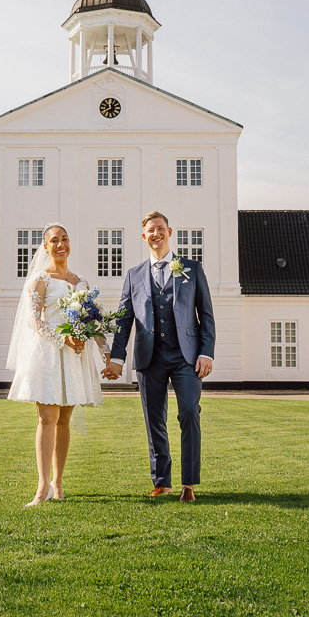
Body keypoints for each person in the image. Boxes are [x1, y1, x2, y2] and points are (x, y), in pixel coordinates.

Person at [104, 211, 215, 503]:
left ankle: (189, 483)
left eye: (160, 229)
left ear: (169, 232)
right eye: (151, 230)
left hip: (186, 357)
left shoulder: (192, 268)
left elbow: (206, 314)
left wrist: (206, 352)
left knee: (189, 412)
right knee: (154, 420)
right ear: (144, 237)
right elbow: (124, 320)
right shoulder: (134, 274)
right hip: (148, 357)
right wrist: (117, 358)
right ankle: (161, 481)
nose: (156, 234)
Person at [7, 223, 110, 507]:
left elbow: (94, 323)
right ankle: (41, 487)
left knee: (65, 419)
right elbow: (35, 321)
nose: (61, 244)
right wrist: (62, 338)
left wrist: (106, 354)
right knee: (47, 418)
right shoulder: (40, 280)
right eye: (55, 240)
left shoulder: (82, 283)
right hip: (49, 353)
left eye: (65, 239)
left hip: (74, 356)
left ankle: (59, 483)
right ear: (46, 246)